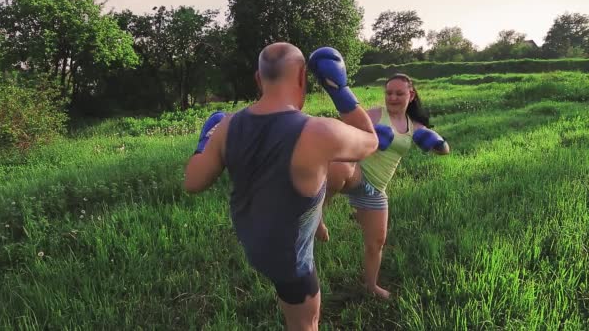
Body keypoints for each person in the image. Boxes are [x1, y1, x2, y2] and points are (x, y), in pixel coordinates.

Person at [183, 43, 393, 330]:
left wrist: (205, 140)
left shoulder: (228, 126)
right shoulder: (319, 131)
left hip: (255, 245)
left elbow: (192, 182)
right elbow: (370, 141)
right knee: (306, 323)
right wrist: (338, 89)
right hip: (293, 263)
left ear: (259, 78)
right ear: (302, 77)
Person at [314, 73, 451, 299]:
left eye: (399, 93)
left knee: (376, 242)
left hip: (375, 188)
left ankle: (371, 286)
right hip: (356, 173)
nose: (393, 97)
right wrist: (367, 136)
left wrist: (437, 141)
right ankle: (318, 214)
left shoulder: (414, 126)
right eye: (389, 92)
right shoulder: (376, 115)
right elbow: (343, 128)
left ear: (411, 94)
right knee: (339, 166)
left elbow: (444, 152)